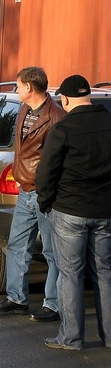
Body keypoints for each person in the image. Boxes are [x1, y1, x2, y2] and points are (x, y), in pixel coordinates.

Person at [35, 74, 111, 350]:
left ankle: (71, 337)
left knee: (70, 274)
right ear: (89, 96)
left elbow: (46, 173)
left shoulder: (63, 129)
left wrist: (46, 203)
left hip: (69, 211)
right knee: (104, 272)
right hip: (105, 210)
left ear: (65, 99)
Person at [0, 66, 65, 322]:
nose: (16, 89)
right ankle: (16, 299)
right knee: (17, 245)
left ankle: (52, 304)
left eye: (18, 85)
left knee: (52, 252)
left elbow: (58, 160)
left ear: (29, 88)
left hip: (45, 195)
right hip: (25, 192)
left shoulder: (56, 117)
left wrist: (47, 190)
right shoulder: (24, 110)